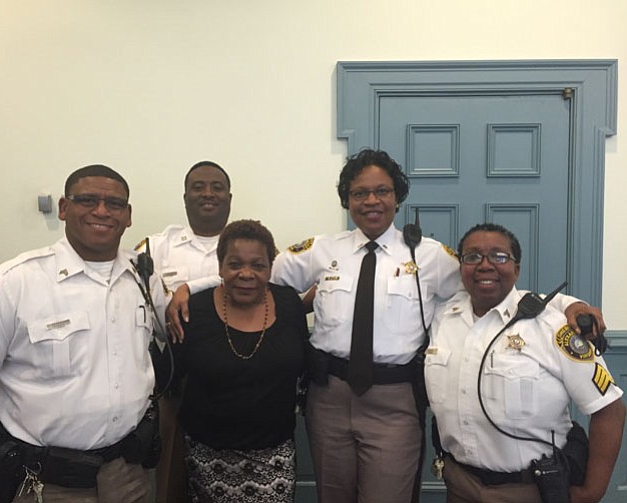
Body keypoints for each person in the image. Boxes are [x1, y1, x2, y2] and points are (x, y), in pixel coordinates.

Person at [168, 149, 603, 503]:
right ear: (347, 200)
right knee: (333, 495)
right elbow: (255, 271)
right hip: (328, 397)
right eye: (360, 193)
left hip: (395, 401)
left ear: (397, 198)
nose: (371, 201)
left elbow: (491, 284)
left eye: (381, 192)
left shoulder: (429, 255)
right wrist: (194, 286)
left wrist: (566, 303)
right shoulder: (322, 250)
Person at [0, 165, 165, 503]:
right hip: (46, 484)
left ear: (127, 216)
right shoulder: (14, 283)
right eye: (87, 200)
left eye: (114, 204)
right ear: (64, 208)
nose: (101, 211)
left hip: (128, 475)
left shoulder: (143, 279)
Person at [425, 223, 625, 503]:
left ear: (516, 269)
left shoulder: (553, 328)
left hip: (530, 490)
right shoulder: (442, 319)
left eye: (499, 256)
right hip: (460, 485)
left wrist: (593, 490)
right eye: (472, 257)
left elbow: (609, 408)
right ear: (460, 269)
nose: (485, 265)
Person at [170, 219, 309, 503]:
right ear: (220, 267)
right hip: (206, 456)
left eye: (258, 265)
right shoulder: (192, 311)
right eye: (235, 264)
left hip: (274, 457)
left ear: (271, 268)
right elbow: (173, 381)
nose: (246, 274)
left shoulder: (289, 305)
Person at [137, 160, 232, 503]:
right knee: (169, 483)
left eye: (217, 187)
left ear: (230, 197)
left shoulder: (244, 243)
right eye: (198, 186)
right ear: (185, 197)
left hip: (234, 379)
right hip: (175, 381)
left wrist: (188, 287)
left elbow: (265, 280)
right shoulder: (156, 246)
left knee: (228, 477)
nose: (208, 193)